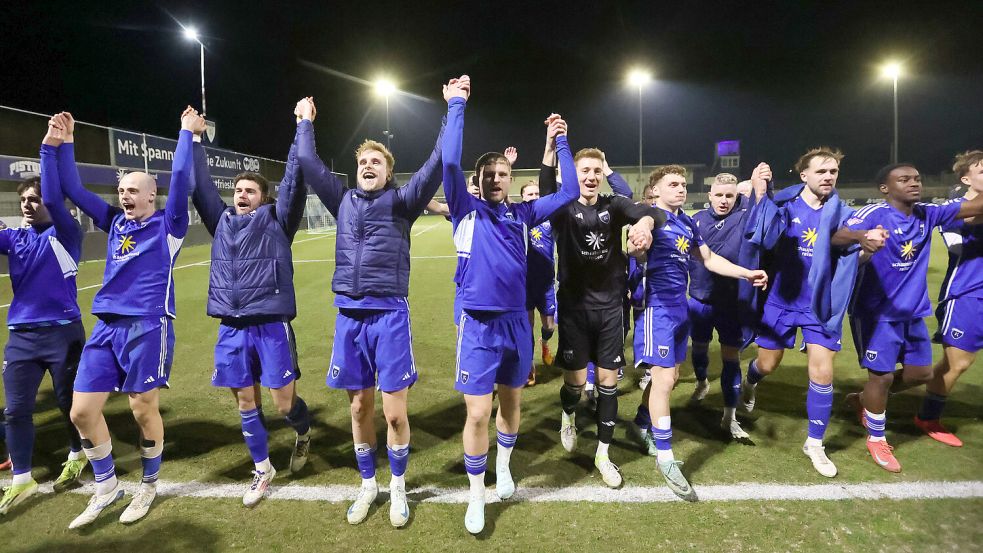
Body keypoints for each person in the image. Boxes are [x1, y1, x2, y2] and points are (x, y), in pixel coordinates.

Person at [294, 78, 455, 528]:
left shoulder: (403, 202)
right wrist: (305, 122)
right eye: (362, 161)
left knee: (393, 411)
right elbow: (307, 161)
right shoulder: (341, 199)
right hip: (348, 316)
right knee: (359, 408)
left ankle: (399, 484)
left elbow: (439, 161)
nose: (367, 165)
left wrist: (452, 108)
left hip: (389, 316)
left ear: (388, 171)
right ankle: (368, 484)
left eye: (376, 161)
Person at [444, 97, 582, 533]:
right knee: (478, 414)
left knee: (512, 403)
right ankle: (476, 493)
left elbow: (571, 192)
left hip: (517, 325)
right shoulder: (467, 208)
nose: (497, 178)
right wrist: (457, 105)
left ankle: (503, 466)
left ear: (511, 178)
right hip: (478, 325)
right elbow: (449, 160)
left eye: (503, 173)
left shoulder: (524, 213)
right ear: (479, 180)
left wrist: (560, 142)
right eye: (490, 174)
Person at [53, 108, 195, 528]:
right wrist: (64, 141)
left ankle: (148, 484)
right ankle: (107, 485)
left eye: (134, 190)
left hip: (149, 324)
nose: (125, 195)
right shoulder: (114, 222)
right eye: (121, 189)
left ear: (152, 195)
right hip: (106, 326)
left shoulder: (169, 225)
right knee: (81, 412)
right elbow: (73, 188)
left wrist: (185, 132)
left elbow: (182, 179)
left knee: (141, 407)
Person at [189, 114, 311, 507]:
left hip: (271, 324)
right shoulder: (220, 220)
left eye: (250, 191)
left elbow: (294, 180)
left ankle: (303, 432)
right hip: (231, 325)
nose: (242, 195)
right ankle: (263, 469)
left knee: (284, 404)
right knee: (245, 402)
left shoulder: (278, 220)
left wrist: (301, 128)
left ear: (263, 197)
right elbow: (201, 186)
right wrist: (192, 138)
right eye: (238, 190)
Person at [631, 164, 767, 501]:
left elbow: (708, 259)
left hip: (681, 309)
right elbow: (642, 230)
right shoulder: (652, 216)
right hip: (657, 311)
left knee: (671, 378)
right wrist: (639, 241)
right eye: (672, 184)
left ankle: (640, 422)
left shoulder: (687, 222)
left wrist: (746, 273)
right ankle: (666, 460)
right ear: (657, 190)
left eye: (682, 184)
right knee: (662, 380)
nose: (680, 189)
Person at [837, 162, 983, 472]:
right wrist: (862, 236)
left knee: (921, 374)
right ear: (885, 188)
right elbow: (838, 234)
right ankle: (877, 438)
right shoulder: (874, 214)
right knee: (883, 375)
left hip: (913, 311)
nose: (914, 183)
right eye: (904, 179)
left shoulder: (928, 214)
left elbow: (975, 204)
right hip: (876, 312)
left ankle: (864, 400)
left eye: (917, 178)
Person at [539, 132, 661, 488]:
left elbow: (646, 211)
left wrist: (644, 225)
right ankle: (567, 413)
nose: (591, 176)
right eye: (584, 170)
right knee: (575, 383)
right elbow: (548, 187)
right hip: (575, 309)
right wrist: (549, 147)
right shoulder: (562, 208)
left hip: (611, 308)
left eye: (596, 170)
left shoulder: (614, 205)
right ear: (573, 174)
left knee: (608, 383)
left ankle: (603, 455)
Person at [739, 149, 864, 478]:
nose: (828, 176)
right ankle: (751, 381)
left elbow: (853, 255)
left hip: (820, 308)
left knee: (822, 374)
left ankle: (814, 442)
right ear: (803, 175)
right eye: (821, 171)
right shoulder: (785, 206)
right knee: (768, 363)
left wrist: (866, 246)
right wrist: (760, 193)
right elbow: (760, 238)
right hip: (780, 301)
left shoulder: (843, 214)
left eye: (833, 171)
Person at [0, 127, 88, 516]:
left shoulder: (65, 233)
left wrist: (49, 148)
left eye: (34, 199)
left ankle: (76, 454)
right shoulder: (13, 238)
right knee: (15, 410)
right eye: (23, 200)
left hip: (63, 334)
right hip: (21, 337)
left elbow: (53, 196)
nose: (27, 204)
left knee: (70, 405)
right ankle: (21, 478)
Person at [915, 150, 983, 446]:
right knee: (956, 364)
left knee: (951, 365)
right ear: (966, 178)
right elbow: (968, 226)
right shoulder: (956, 208)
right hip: (966, 294)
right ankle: (926, 417)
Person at [686, 173, 754, 439]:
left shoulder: (743, 216)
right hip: (700, 300)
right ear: (709, 195)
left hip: (730, 303)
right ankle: (702, 382)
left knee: (731, 358)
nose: (724, 201)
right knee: (699, 350)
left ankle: (729, 416)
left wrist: (750, 190)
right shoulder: (696, 221)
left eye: (730, 196)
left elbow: (762, 201)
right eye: (720, 195)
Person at [518, 179, 557, 385]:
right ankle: (528, 366)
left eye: (536, 194)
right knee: (526, 327)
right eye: (529, 194)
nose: (534, 197)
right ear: (522, 198)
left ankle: (545, 343)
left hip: (546, 282)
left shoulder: (550, 219)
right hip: (523, 283)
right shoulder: (518, 219)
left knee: (549, 326)